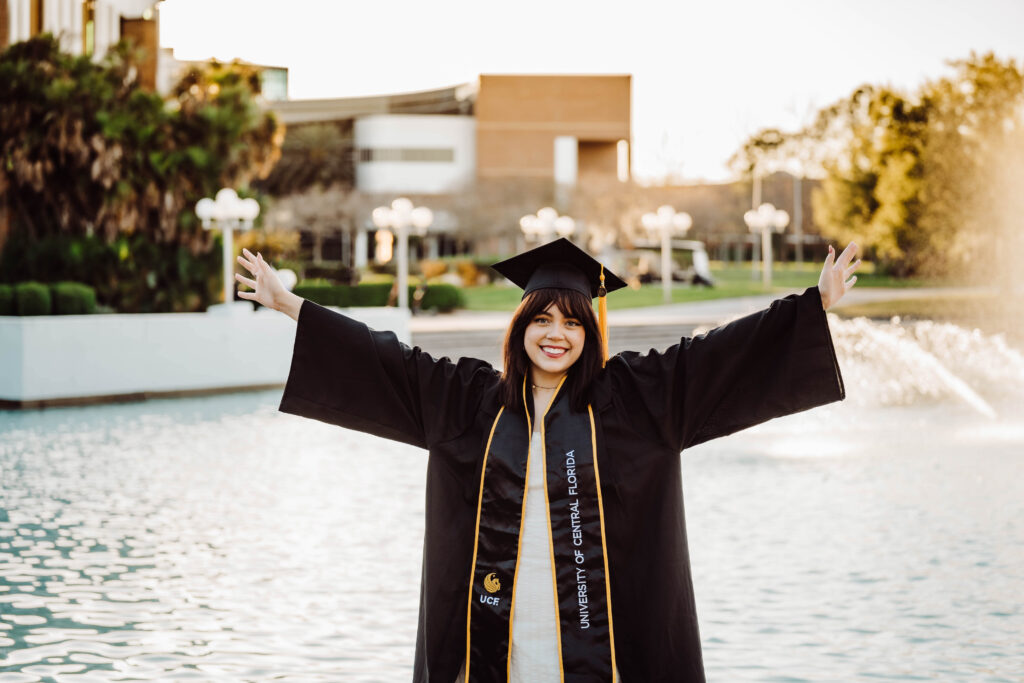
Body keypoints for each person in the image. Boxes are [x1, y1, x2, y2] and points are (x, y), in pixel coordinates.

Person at [234, 238, 860, 683]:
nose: (555, 334)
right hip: (499, 623)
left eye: (572, 323)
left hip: (604, 636)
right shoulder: (469, 399)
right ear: (520, 325)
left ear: (590, 332)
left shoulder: (635, 399)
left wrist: (814, 306)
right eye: (542, 320)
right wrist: (293, 306)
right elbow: (387, 360)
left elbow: (721, 355)